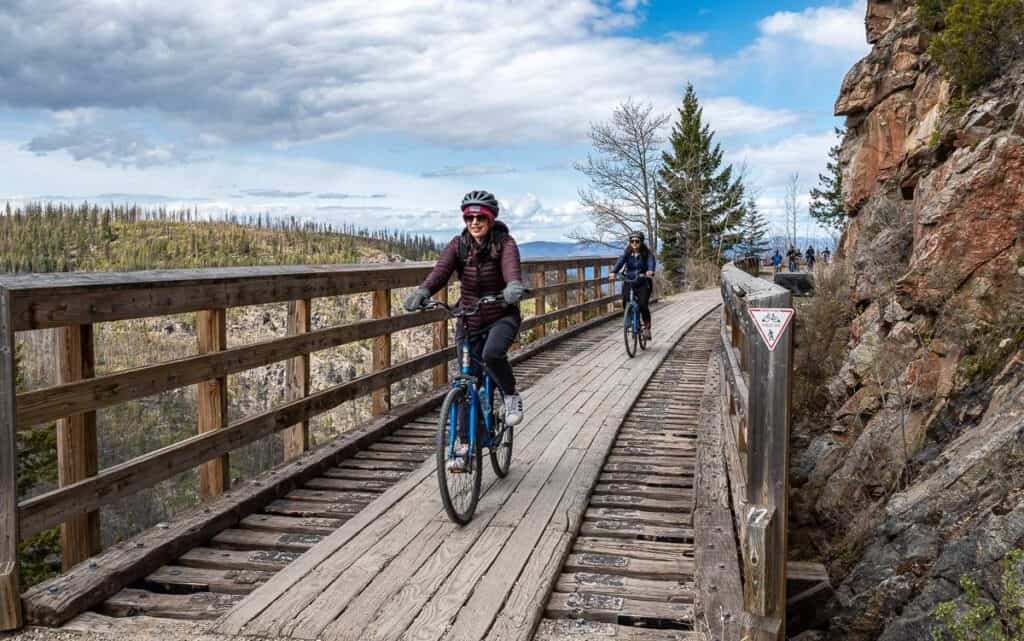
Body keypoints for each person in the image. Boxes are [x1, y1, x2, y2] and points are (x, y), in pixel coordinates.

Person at [403, 190, 526, 429]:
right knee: (467, 379)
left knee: (491, 356)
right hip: (469, 318)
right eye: (469, 218)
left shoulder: (504, 243)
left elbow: (511, 267)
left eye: (481, 218)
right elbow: (441, 271)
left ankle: (510, 395)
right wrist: (423, 291)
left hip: (501, 315)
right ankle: (463, 446)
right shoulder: (458, 245)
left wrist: (513, 286)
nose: (475, 222)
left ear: (490, 220)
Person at [610, 230, 655, 340]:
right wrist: (613, 272)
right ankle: (630, 318)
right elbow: (620, 261)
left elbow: (651, 262)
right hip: (629, 280)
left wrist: (650, 270)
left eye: (637, 241)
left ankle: (647, 328)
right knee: (625, 301)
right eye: (632, 241)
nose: (634, 243)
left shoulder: (647, 253)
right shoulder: (627, 252)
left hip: (643, 281)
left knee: (643, 305)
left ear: (641, 242)